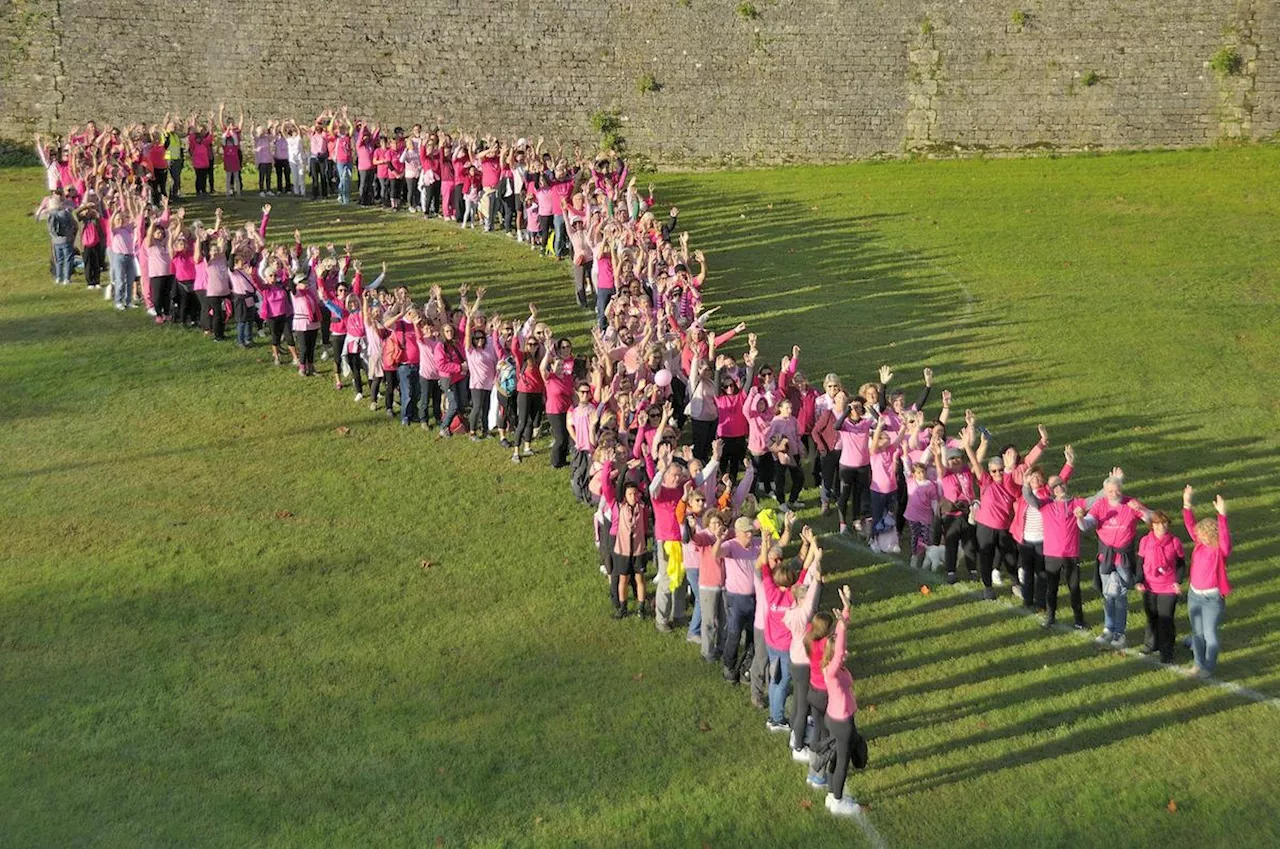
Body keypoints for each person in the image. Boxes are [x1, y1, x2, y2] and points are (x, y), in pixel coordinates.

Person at [820, 585, 863, 818]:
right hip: (841, 721)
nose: (844, 652)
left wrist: (846, 610)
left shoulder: (832, 666)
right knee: (842, 760)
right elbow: (839, 651)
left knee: (837, 756)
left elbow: (839, 645)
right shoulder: (832, 671)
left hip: (836, 717)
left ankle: (831, 794)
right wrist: (844, 629)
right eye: (840, 651)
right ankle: (837, 800)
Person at [1182, 486, 1231, 678]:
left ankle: (1208, 668)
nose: (1199, 537)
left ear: (1212, 535)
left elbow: (1225, 539)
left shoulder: (1220, 550)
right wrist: (1187, 503)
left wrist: (1222, 515)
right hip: (1194, 595)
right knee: (1197, 633)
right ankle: (1198, 664)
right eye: (1199, 534)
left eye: (1203, 535)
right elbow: (1190, 524)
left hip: (1212, 599)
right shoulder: (1200, 545)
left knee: (1210, 635)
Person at [1136, 511, 1186, 664]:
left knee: (1166, 619)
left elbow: (1181, 565)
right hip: (1150, 586)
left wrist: (1178, 582)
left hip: (1168, 587)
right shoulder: (1145, 541)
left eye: (1164, 523)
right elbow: (1140, 562)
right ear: (1152, 525)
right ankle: (1151, 645)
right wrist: (1139, 580)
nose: (1161, 527)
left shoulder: (1175, 542)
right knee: (1151, 617)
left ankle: (1167, 651)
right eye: (1157, 524)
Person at [46, 192, 77, 285]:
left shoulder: (50, 215)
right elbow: (73, 224)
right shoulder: (65, 213)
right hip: (66, 239)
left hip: (56, 240)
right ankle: (66, 278)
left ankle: (58, 277)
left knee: (59, 260)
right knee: (68, 259)